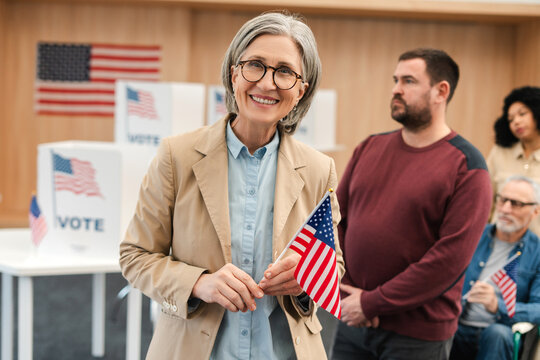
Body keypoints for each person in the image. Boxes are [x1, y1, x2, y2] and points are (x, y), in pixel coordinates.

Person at [119, 11, 344, 360]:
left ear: (301, 90)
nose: (267, 83)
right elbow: (135, 257)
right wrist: (198, 282)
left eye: (284, 71)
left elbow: (333, 265)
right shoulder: (176, 156)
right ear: (233, 73)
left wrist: (305, 280)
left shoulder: (319, 169)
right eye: (255, 65)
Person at [331, 48, 492, 360]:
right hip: (352, 319)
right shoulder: (370, 147)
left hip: (417, 336)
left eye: (408, 81)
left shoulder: (468, 167)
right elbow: (336, 221)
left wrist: (372, 302)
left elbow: (448, 261)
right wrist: (348, 292)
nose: (396, 89)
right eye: (395, 80)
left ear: (440, 91)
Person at [450, 175, 540, 360]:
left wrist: (497, 305)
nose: (505, 209)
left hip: (499, 331)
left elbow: (538, 309)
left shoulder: (537, 252)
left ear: (535, 211)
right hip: (457, 323)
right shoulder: (473, 234)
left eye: (516, 204)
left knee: (497, 334)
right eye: (502, 200)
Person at [487, 86, 540, 235]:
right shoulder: (499, 152)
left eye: (522, 114)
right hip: (500, 243)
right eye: (510, 119)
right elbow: (486, 199)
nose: (516, 121)